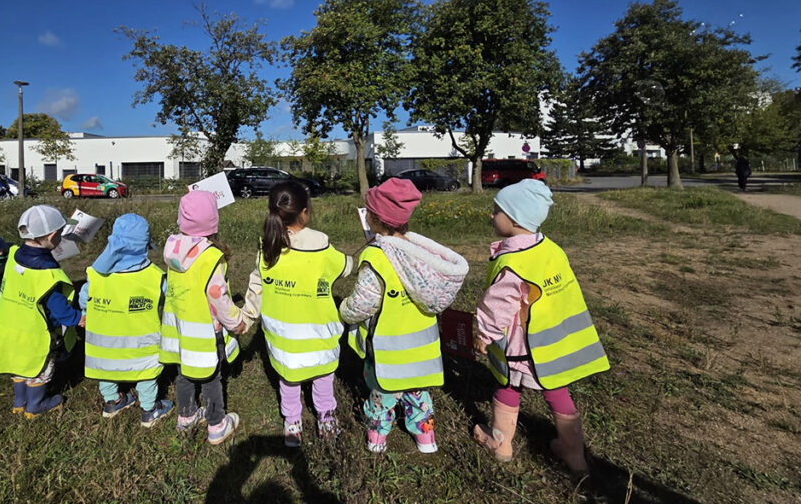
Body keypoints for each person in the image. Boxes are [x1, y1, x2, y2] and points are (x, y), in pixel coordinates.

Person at [473, 179, 610, 474]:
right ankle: (575, 455)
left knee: (508, 387)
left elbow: (497, 307)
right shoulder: (551, 249)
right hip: (554, 344)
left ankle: (501, 445)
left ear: (513, 219)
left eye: (496, 210)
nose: (491, 215)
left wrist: (484, 335)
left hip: (523, 347)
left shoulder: (512, 262)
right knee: (558, 392)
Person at [340, 178, 469, 454]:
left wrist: (344, 310)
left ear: (373, 219)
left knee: (382, 395)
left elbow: (363, 305)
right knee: (418, 395)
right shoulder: (421, 254)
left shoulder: (376, 259)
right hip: (422, 353)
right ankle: (426, 439)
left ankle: (377, 439)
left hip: (387, 351)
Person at [241, 181, 354, 447]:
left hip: (283, 339)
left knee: (288, 382)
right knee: (323, 378)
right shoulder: (322, 245)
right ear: (305, 211)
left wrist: (246, 316)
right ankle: (326, 421)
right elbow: (347, 267)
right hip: (319, 336)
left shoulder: (267, 246)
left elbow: (256, 286)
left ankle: (292, 424)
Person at [160, 191, 244, 446]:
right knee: (211, 376)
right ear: (213, 223)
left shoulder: (173, 251)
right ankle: (217, 424)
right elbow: (217, 296)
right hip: (206, 331)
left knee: (184, 373)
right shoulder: (209, 257)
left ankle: (186, 416)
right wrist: (235, 321)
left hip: (180, 329)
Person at [78, 214, 175, 427]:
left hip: (103, 349)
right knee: (147, 373)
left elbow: (84, 298)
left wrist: (85, 310)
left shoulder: (95, 274)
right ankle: (149, 410)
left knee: (106, 371)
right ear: (144, 245)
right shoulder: (154, 276)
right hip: (142, 347)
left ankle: (113, 402)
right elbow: (170, 297)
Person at [0, 205, 84, 417]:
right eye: (59, 235)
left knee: (19, 367)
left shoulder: (13, 254)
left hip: (10, 327)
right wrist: (77, 318)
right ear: (52, 235)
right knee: (40, 369)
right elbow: (58, 308)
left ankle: (19, 402)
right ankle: (35, 406)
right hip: (35, 333)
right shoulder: (48, 274)